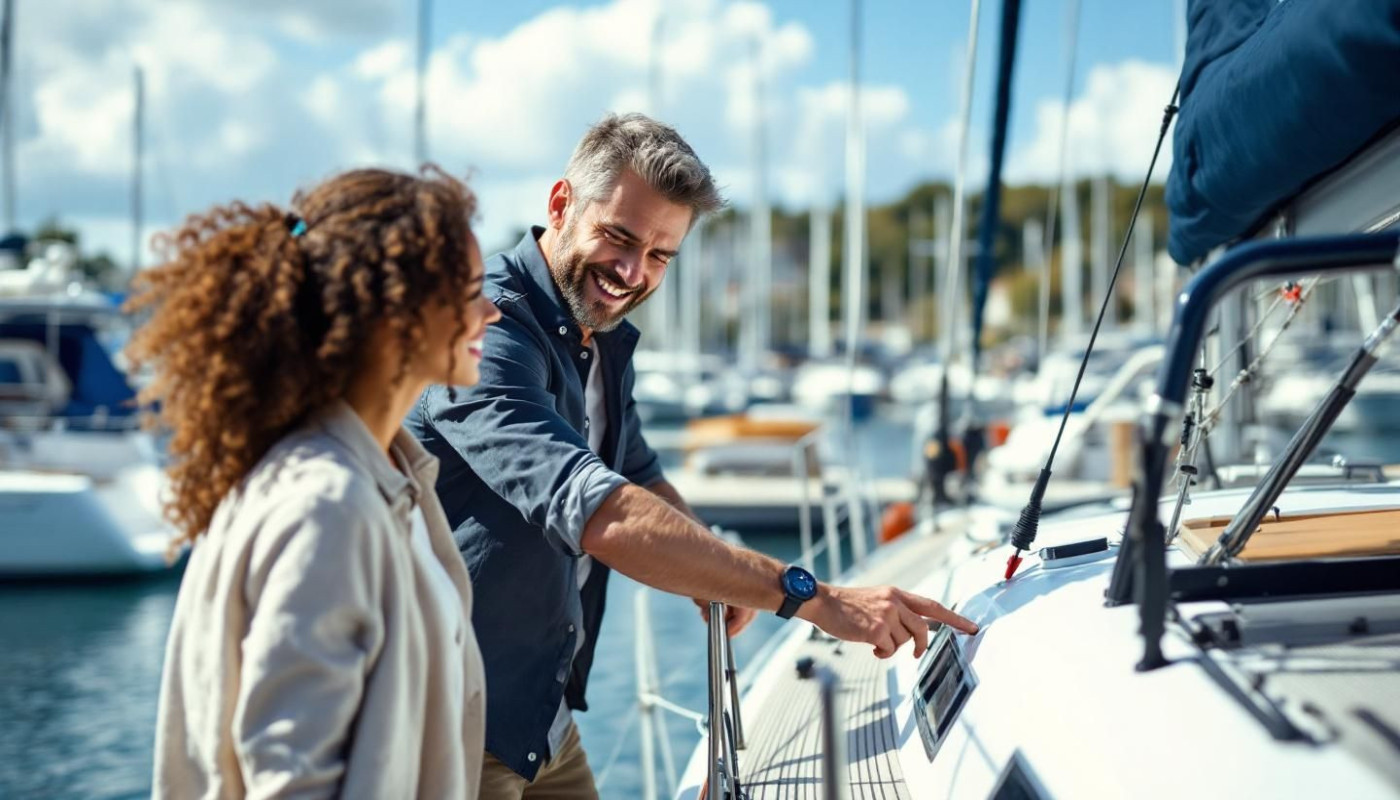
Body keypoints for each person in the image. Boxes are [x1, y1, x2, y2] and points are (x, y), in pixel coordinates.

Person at [406, 113, 978, 799]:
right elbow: (596, 507)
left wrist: (710, 567)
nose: (631, 272)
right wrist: (811, 596)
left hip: (539, 718)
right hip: (454, 729)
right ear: (561, 204)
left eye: (659, 256)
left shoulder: (599, 331)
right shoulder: (489, 333)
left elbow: (637, 470)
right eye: (618, 238)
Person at [137, 167, 501, 799]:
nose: (490, 310)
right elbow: (293, 781)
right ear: (396, 315)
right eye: (470, 290)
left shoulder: (393, 479)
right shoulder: (326, 506)